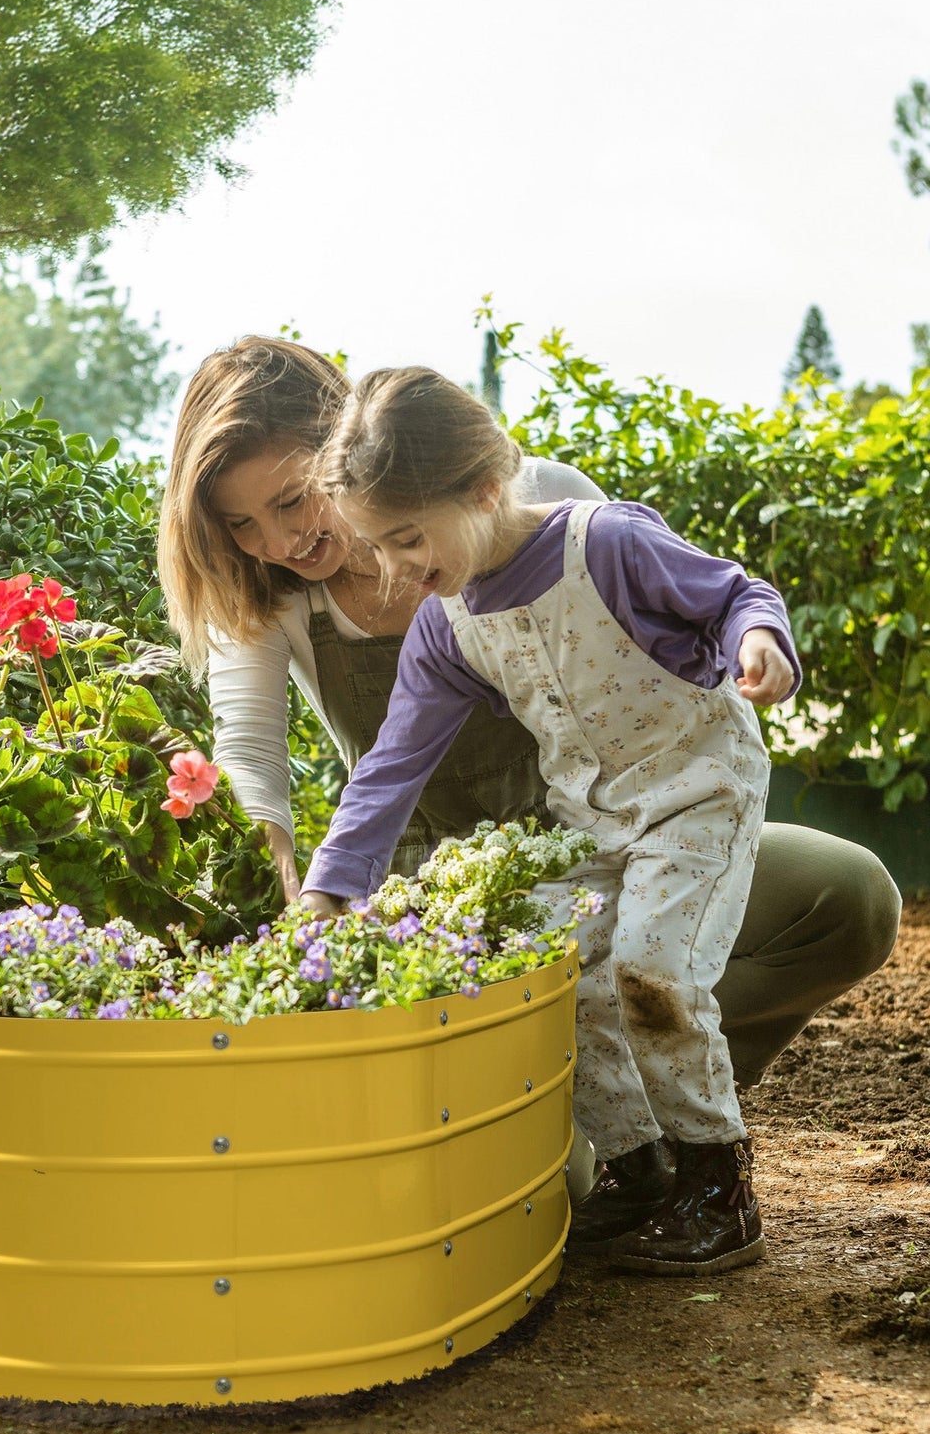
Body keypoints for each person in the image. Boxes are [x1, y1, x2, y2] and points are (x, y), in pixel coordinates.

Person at [157, 335, 902, 1252]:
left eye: (292, 499)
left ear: (350, 450)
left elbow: (705, 602)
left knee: (813, 910)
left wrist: (754, 647)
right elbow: (318, 764)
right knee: (566, 1146)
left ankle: (697, 1149)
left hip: (632, 825)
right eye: (242, 525)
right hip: (464, 880)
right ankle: (623, 1149)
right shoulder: (325, 603)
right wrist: (309, 900)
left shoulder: (557, 513)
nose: (281, 542)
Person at [295, 364, 809, 1274]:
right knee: (554, 970)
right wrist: (332, 887)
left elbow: (734, 595)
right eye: (378, 547)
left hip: (698, 791)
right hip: (594, 822)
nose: (397, 569)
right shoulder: (446, 624)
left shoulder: (604, 543)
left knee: (651, 970)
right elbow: (391, 766)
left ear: (487, 487)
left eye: (408, 537)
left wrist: (758, 643)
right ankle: (641, 1172)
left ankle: (718, 1188)